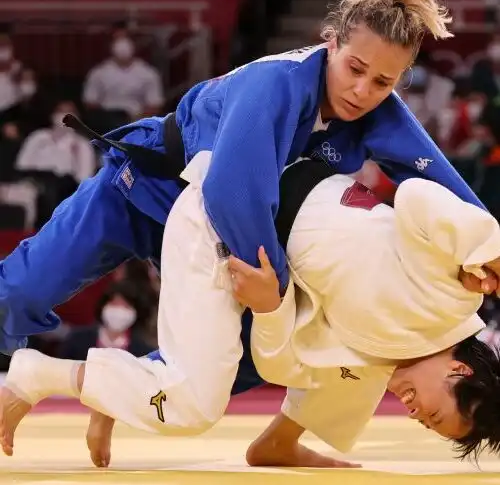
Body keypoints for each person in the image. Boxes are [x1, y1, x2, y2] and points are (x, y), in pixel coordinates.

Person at [0, 0, 490, 463]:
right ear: (331, 43)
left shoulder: (379, 110)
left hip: (222, 234)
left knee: (254, 354)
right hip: (152, 189)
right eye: (356, 69)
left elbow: (439, 184)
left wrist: (484, 255)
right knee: (21, 289)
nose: (363, 90)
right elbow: (234, 194)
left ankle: (115, 387)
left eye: (383, 81)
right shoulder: (276, 84)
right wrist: (273, 291)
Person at [2, 165, 500, 468]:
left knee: (214, 382)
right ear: (461, 369)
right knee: (14, 296)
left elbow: (276, 373)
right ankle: (39, 374)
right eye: (433, 415)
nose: (415, 415)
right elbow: (416, 195)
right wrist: (489, 247)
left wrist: (271, 307)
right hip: (208, 201)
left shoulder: (373, 368)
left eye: (425, 426)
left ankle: (90, 384)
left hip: (232, 255)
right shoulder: (458, 293)